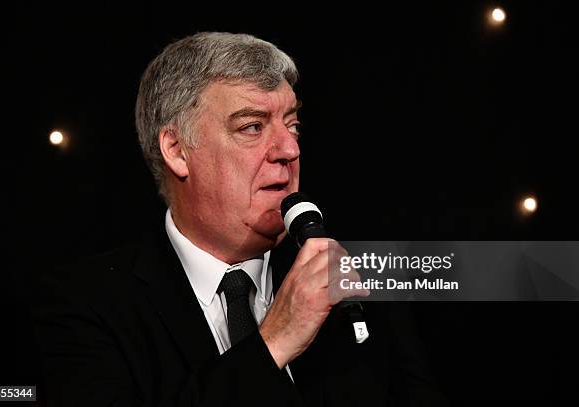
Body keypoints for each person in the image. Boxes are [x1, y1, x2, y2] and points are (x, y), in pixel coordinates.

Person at [33, 32, 448, 406]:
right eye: (252, 127)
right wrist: (274, 342)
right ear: (177, 151)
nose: (289, 149)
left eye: (293, 125)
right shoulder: (84, 304)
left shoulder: (358, 284)